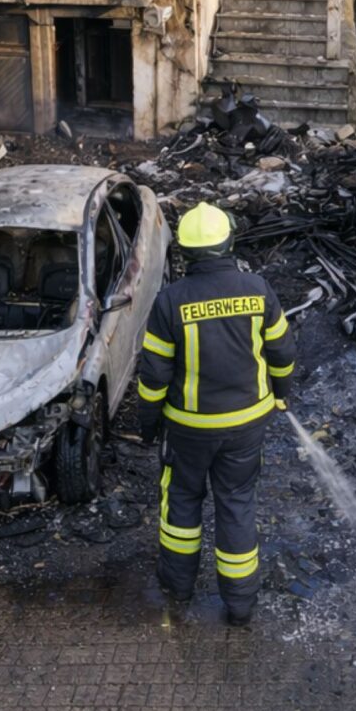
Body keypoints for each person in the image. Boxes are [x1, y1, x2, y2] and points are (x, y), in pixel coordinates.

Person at [135, 201, 296, 625]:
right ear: (229, 243)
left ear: (185, 252)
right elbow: (283, 352)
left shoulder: (170, 301)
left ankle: (178, 586)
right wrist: (282, 394)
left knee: (182, 501)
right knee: (237, 502)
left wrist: (148, 425)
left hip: (187, 429)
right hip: (246, 426)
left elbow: (153, 376)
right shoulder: (258, 290)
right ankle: (240, 604)